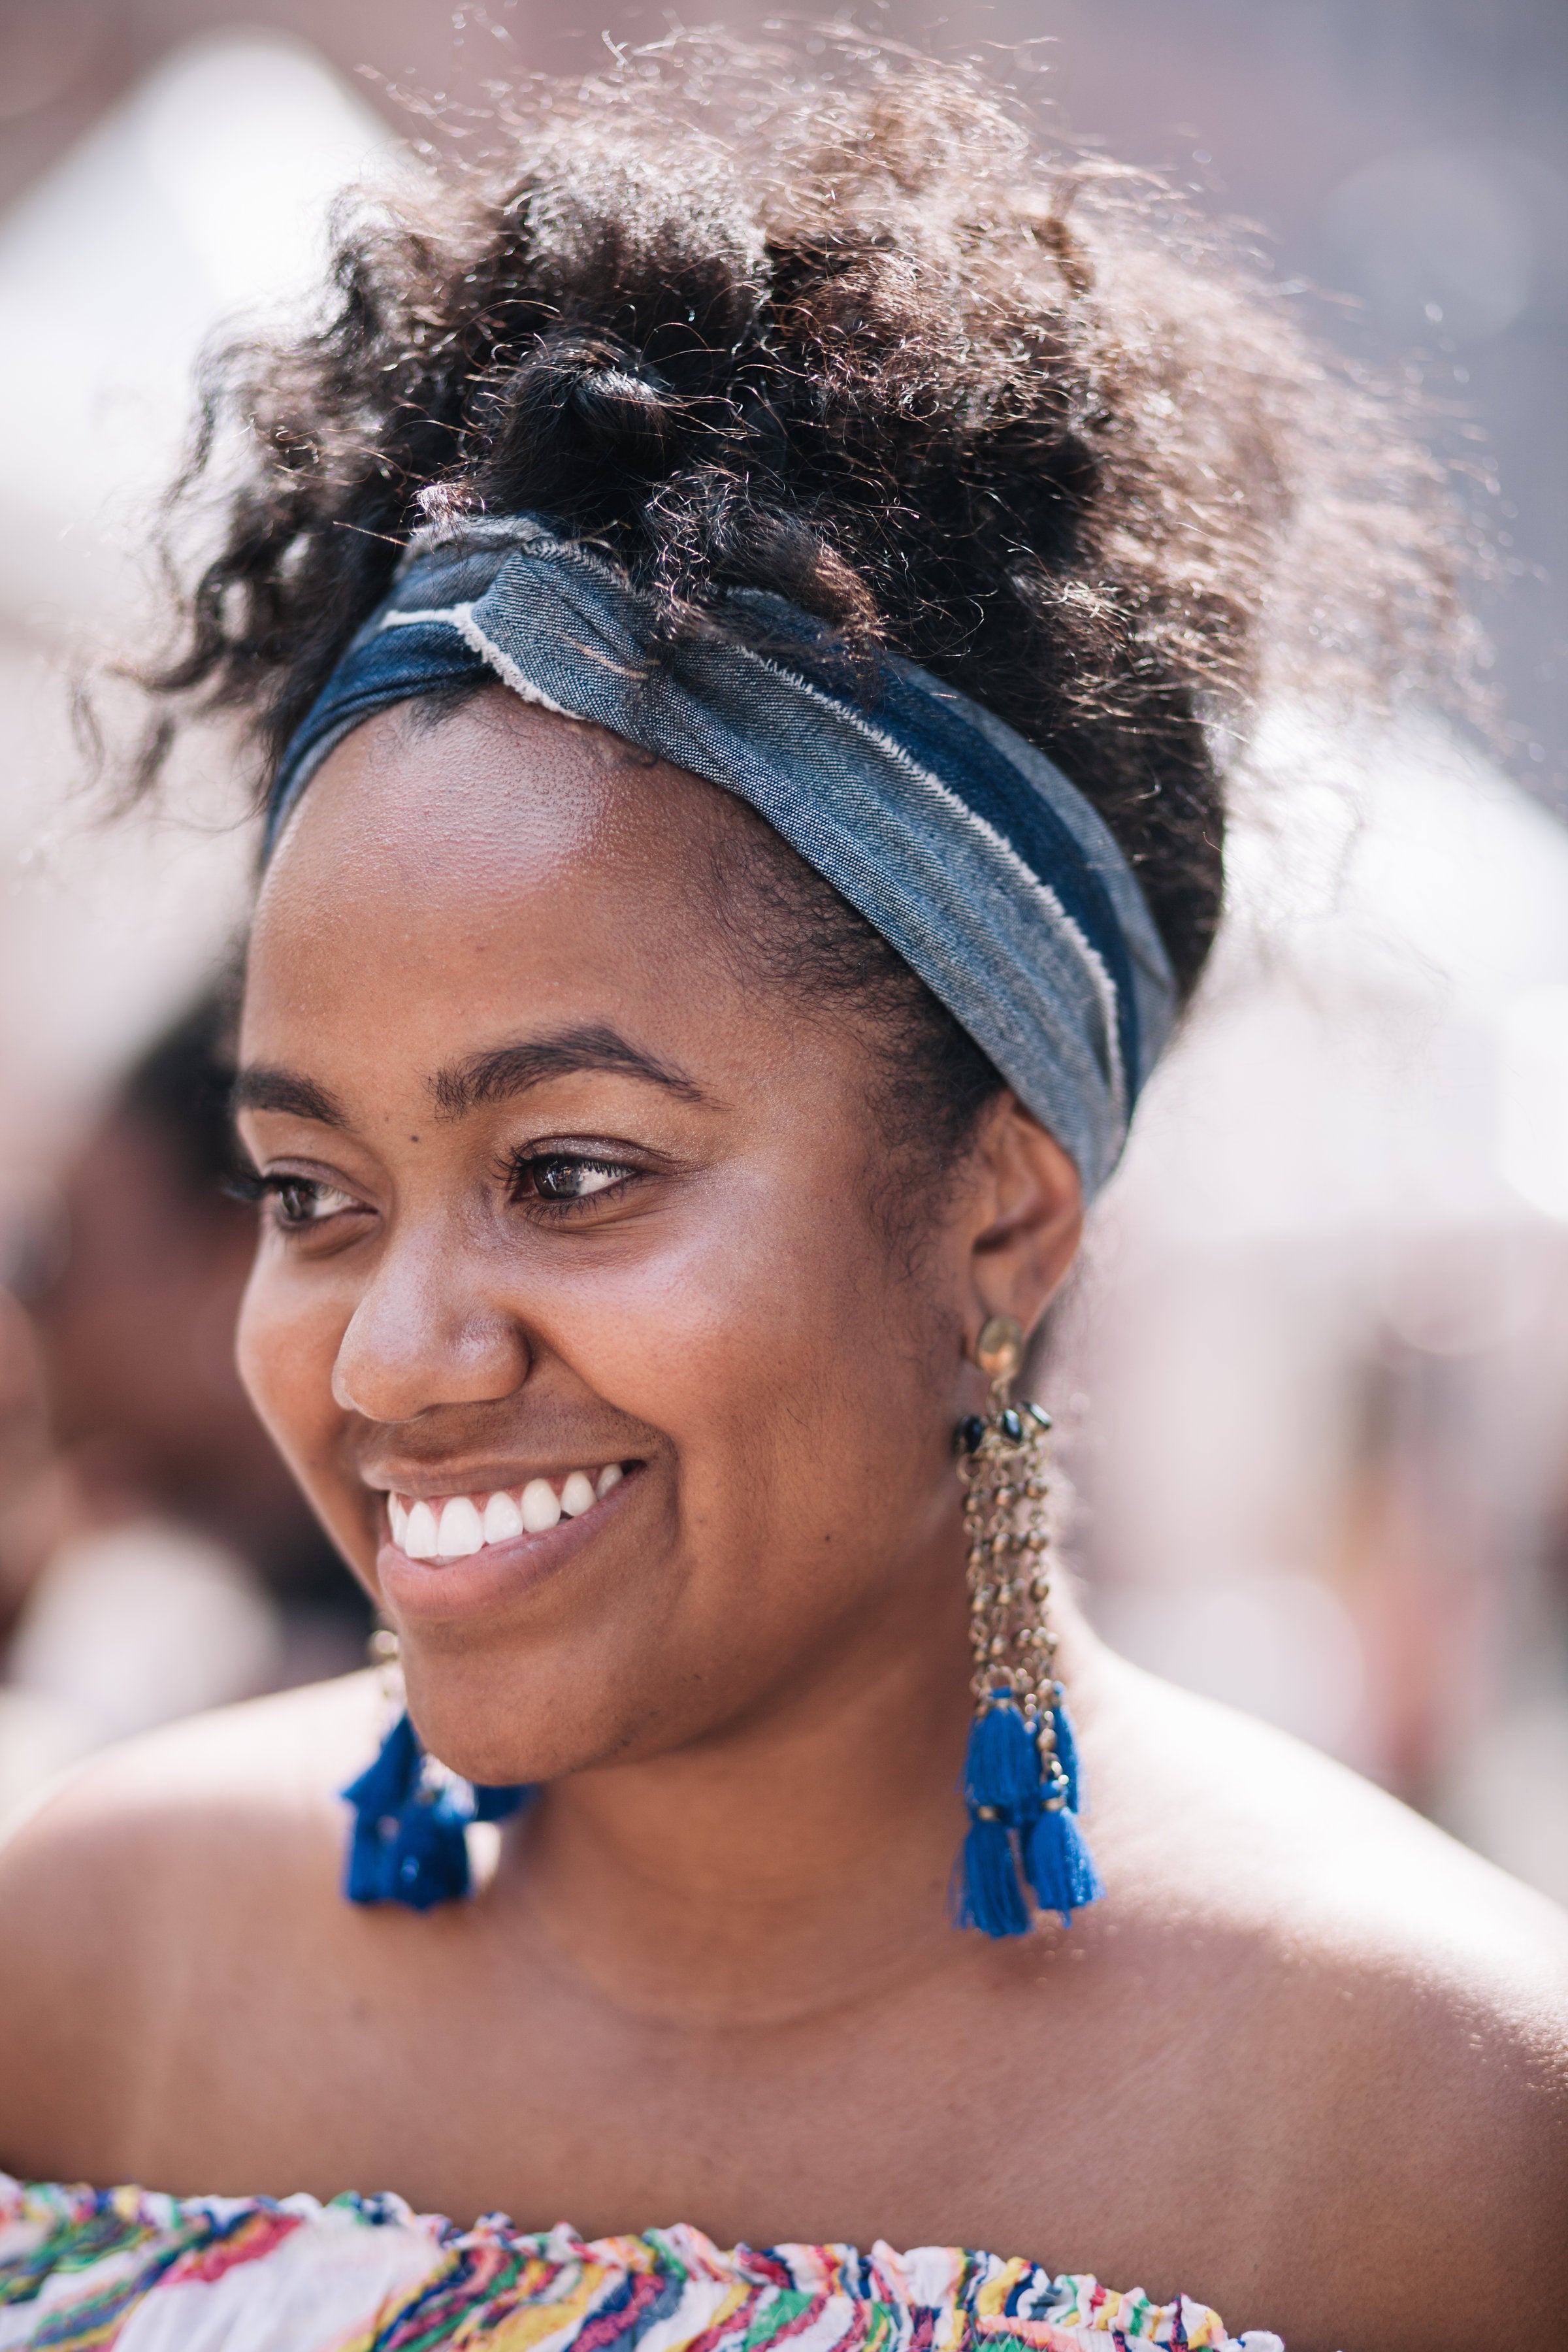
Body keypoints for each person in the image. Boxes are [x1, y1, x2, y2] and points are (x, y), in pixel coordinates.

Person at [0, 45, 1563, 2352]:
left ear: (1001, 1221)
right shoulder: (82, 1976)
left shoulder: (1430, 2133)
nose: (399, 1351)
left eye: (571, 1172)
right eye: (310, 1191)